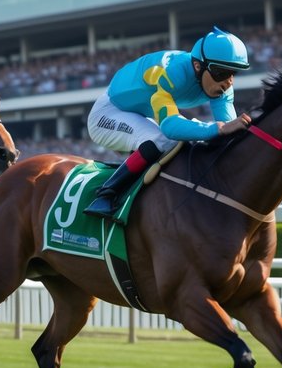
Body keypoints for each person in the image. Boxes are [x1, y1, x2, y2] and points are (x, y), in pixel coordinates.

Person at [83, 26, 253, 221]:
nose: (228, 82)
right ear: (198, 66)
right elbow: (170, 127)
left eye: (233, 73)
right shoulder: (172, 73)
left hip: (140, 114)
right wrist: (217, 128)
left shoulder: (220, 85)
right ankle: (106, 194)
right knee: (161, 140)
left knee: (187, 140)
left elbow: (228, 133)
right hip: (109, 113)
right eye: (221, 72)